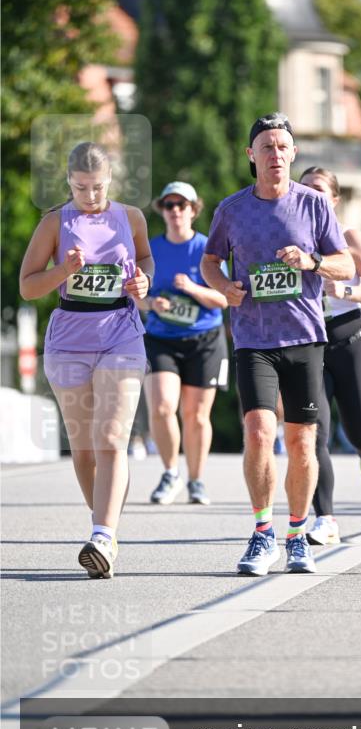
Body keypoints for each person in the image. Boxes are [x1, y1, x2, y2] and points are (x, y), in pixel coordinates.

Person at [201, 113, 354, 575]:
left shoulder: (313, 205)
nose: (276, 154)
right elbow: (210, 262)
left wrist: (312, 261)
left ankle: (296, 535)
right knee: (259, 432)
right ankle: (262, 533)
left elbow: (345, 265)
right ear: (252, 155)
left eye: (283, 147)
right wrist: (224, 287)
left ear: (293, 154)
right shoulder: (231, 209)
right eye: (266, 147)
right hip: (253, 338)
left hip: (305, 336)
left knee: (302, 440)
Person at [19, 141, 152, 579]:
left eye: (96, 188)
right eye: (80, 189)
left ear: (110, 180)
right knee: (84, 447)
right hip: (69, 338)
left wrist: (143, 282)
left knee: (112, 437)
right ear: (69, 184)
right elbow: (28, 286)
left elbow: (145, 258)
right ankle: (104, 530)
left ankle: (103, 535)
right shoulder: (54, 223)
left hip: (120, 333)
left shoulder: (130, 217)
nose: (90, 197)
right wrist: (63, 272)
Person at [297, 167, 361, 546]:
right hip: (309, 344)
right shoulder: (289, 240)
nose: (311, 196)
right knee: (313, 433)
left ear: (334, 199)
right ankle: (326, 519)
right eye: (303, 189)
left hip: (351, 338)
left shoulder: (349, 238)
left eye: (319, 190)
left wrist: (347, 292)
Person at [138, 181, 228, 505]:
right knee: (162, 407)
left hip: (205, 340)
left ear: (193, 210)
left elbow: (223, 299)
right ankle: (170, 472)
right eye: (169, 205)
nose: (175, 211)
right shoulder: (151, 250)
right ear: (162, 210)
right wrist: (152, 304)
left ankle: (197, 479)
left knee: (196, 415)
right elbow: (135, 297)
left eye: (182, 205)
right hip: (161, 338)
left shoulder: (207, 249)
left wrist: (192, 288)